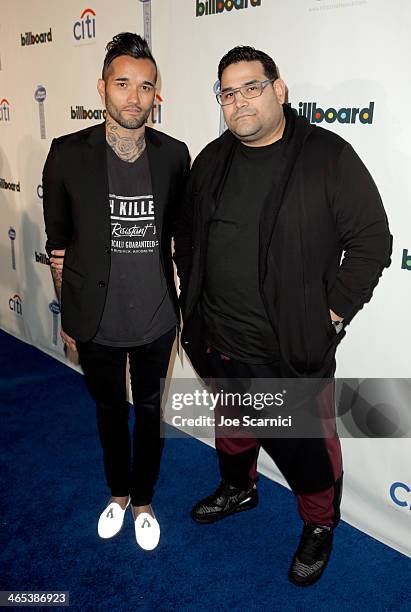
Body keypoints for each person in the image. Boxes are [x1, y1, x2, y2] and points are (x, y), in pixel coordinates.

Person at [174, 46, 391, 585]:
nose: (238, 101)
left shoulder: (327, 156)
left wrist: (332, 315)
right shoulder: (211, 159)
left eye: (251, 87)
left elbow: (371, 242)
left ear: (279, 89)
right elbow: (188, 236)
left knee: (308, 448)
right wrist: (192, 299)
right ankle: (238, 487)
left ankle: (320, 525)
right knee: (233, 422)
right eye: (227, 92)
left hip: (288, 348)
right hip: (216, 336)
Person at [43, 32, 190, 551]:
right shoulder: (66, 154)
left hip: (155, 319)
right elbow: (57, 245)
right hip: (96, 319)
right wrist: (69, 316)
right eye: (123, 83)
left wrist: (184, 311)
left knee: (150, 412)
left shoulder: (175, 155)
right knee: (110, 413)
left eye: (145, 86)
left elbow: (179, 239)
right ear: (102, 87)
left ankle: (145, 499)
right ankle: (119, 494)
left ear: (157, 94)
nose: (135, 96)